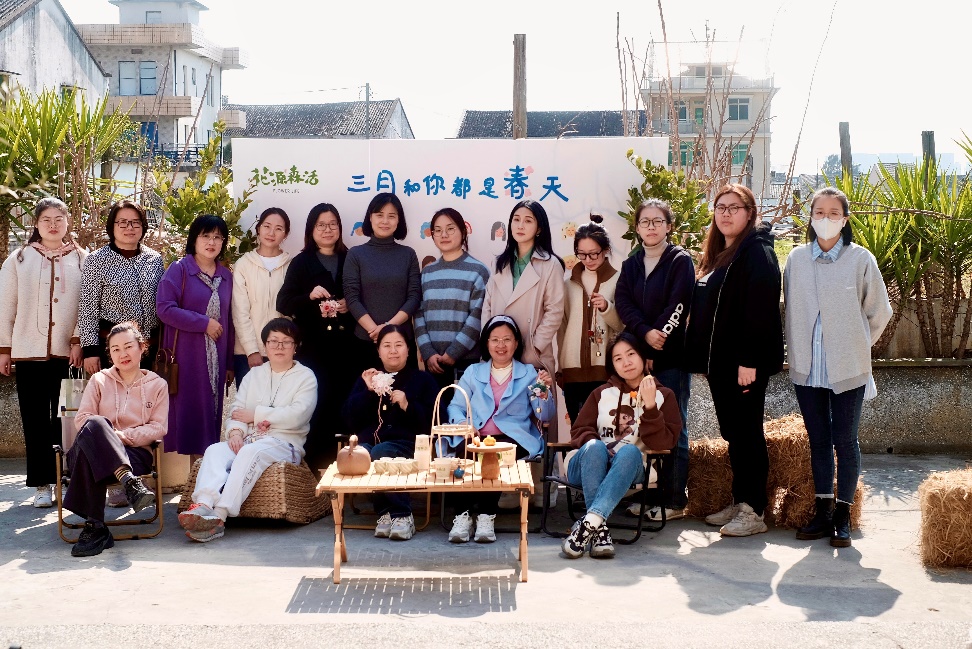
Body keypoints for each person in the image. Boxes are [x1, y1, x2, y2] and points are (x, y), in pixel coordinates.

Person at [784, 187, 892, 547]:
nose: (826, 219)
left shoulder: (860, 259)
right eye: (819, 212)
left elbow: (880, 312)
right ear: (810, 217)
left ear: (845, 220)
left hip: (848, 368)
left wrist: (856, 347)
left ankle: (843, 515)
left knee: (845, 440)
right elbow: (790, 309)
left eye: (834, 213)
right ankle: (823, 511)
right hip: (807, 368)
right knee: (818, 440)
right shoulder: (796, 259)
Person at [683, 183, 784, 537]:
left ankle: (754, 510)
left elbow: (761, 311)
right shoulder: (721, 253)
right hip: (721, 365)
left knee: (747, 433)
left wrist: (749, 361)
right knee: (734, 434)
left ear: (750, 213)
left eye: (734, 208)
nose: (725, 214)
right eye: (720, 208)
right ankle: (741, 500)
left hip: (743, 365)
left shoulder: (757, 253)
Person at [178, 318, 317, 542]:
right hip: (250, 439)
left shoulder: (305, 377)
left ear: (295, 346)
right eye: (273, 341)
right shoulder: (254, 375)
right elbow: (237, 410)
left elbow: (298, 415)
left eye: (286, 341)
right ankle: (203, 505)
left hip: (285, 443)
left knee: (249, 452)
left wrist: (256, 415)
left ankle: (219, 516)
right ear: (265, 346)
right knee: (215, 450)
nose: (279, 346)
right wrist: (235, 432)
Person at [562, 332, 681, 559]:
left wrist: (650, 407)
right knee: (595, 447)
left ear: (643, 356)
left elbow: (664, 443)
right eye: (618, 358)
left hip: (630, 469)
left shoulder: (664, 396)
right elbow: (579, 430)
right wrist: (600, 449)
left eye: (631, 354)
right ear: (612, 365)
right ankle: (597, 529)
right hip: (587, 465)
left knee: (629, 451)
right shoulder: (601, 394)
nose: (626, 362)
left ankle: (591, 527)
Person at [0, 198, 86, 507]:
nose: (53, 224)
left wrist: (78, 340)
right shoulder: (19, 259)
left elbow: (87, 304)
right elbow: (5, 305)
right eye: (46, 219)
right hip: (28, 353)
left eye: (59, 219)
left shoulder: (82, 259)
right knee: (34, 419)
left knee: (68, 420)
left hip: (69, 355)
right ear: (36, 224)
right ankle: (42, 483)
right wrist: (5, 349)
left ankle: (67, 478)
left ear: (67, 222)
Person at [615, 199, 696, 521]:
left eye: (657, 221)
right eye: (645, 222)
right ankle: (653, 494)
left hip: (671, 358)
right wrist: (643, 336)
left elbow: (679, 303)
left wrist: (656, 339)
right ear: (637, 228)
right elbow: (624, 303)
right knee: (645, 426)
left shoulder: (680, 261)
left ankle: (674, 500)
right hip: (641, 355)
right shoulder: (631, 264)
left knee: (674, 426)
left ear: (668, 226)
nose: (651, 227)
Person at [445, 316, 555, 543]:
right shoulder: (473, 372)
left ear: (516, 343)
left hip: (514, 438)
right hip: (476, 435)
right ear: (486, 343)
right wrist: (465, 425)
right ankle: (462, 517)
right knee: (462, 456)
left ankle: (486, 516)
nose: (501, 345)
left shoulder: (529, 373)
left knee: (492, 458)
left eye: (507, 339)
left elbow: (544, 415)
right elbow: (455, 406)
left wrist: (543, 393)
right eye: (495, 339)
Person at [63, 322, 169, 557]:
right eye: (116, 349)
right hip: (92, 452)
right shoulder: (99, 380)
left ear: (142, 347)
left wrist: (121, 437)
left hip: (134, 455)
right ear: (109, 354)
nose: (123, 354)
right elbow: (82, 419)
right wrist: (106, 434)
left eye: (128, 346)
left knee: (96, 441)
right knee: (96, 423)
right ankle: (129, 482)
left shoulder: (157, 385)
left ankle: (95, 527)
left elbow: (158, 427)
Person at [276, 203, 356, 470]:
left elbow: (364, 297)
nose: (327, 229)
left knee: (346, 407)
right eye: (321, 225)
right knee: (317, 407)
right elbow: (283, 302)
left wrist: (350, 304)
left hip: (348, 349)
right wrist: (309, 298)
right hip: (314, 350)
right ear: (311, 229)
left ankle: (347, 468)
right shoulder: (301, 262)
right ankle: (315, 472)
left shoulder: (351, 258)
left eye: (333, 224)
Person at [342, 325, 438, 541]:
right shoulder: (368, 379)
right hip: (371, 444)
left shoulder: (422, 379)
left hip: (408, 445)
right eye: (387, 346)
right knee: (362, 453)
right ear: (378, 351)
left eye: (398, 345)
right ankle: (385, 513)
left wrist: (408, 405)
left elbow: (435, 421)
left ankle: (402, 515)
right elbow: (349, 419)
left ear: (408, 349)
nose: (393, 351)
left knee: (382, 451)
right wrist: (367, 392)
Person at [482, 200, 565, 442]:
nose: (520, 225)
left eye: (528, 221)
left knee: (538, 423)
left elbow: (554, 311)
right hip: (500, 354)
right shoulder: (499, 262)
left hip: (533, 356)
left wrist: (533, 346)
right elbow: (488, 306)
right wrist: (490, 342)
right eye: (516, 219)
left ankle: (538, 469)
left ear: (539, 229)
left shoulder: (550, 264)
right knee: (499, 422)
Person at [156, 215, 234, 459]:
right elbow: (164, 309)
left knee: (211, 420)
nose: (211, 242)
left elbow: (229, 320)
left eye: (217, 237)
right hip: (187, 358)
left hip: (217, 360)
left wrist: (229, 363)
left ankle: (204, 475)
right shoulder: (179, 270)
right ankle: (193, 478)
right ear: (194, 239)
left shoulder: (227, 276)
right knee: (191, 420)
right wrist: (204, 323)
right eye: (205, 236)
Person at [78, 200, 164, 373]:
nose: (129, 228)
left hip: (150, 349)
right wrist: (90, 351)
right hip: (113, 350)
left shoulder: (154, 259)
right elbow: (87, 308)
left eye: (135, 222)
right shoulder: (96, 261)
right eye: (123, 222)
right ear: (112, 226)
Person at [343, 193, 421, 373]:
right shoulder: (355, 254)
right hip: (365, 340)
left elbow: (414, 297)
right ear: (370, 218)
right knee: (366, 390)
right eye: (379, 215)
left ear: (398, 220)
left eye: (391, 216)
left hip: (400, 343)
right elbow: (352, 297)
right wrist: (375, 331)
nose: (385, 221)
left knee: (404, 390)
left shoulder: (408, 254)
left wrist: (388, 330)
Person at [414, 207, 490, 390]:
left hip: (466, 363)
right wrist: (427, 352)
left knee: (464, 409)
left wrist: (453, 353)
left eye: (450, 228)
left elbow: (478, 317)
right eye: (438, 230)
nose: (444, 235)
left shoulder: (478, 271)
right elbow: (418, 314)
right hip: (432, 363)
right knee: (435, 408)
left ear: (463, 231)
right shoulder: (427, 273)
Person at [557, 215, 623, 424]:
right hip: (572, 372)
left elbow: (623, 326)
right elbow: (562, 327)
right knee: (579, 431)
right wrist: (561, 366)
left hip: (606, 371)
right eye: (582, 254)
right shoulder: (568, 285)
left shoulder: (619, 280)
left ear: (606, 250)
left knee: (606, 431)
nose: (588, 259)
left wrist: (607, 308)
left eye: (594, 253)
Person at [231, 207, 291, 387]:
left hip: (283, 352)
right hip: (248, 354)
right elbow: (240, 312)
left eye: (278, 228)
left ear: (286, 234)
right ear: (258, 229)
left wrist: (285, 346)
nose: (271, 233)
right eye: (267, 226)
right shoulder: (243, 264)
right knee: (250, 402)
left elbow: (292, 312)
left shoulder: (293, 265)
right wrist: (252, 350)